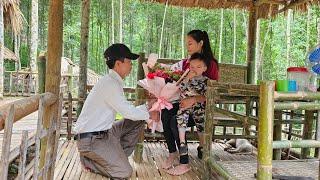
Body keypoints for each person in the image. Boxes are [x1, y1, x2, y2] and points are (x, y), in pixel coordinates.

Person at [75, 43, 154, 179]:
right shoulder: (110, 84)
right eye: (129, 62)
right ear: (118, 64)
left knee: (138, 121)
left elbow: (129, 110)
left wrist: (148, 107)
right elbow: (128, 112)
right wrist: (150, 112)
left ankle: (112, 157)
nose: (131, 65)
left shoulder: (112, 81)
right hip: (92, 140)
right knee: (124, 172)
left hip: (105, 133)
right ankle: (89, 161)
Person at [160, 30, 219, 176]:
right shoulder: (187, 63)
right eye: (187, 43)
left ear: (201, 43)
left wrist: (193, 99)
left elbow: (212, 94)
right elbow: (180, 84)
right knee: (166, 113)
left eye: (190, 43)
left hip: (201, 108)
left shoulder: (210, 64)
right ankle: (173, 152)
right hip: (184, 102)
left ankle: (184, 161)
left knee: (175, 121)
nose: (188, 46)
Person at [176, 53, 209, 160]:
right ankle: (182, 143)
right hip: (185, 104)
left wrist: (196, 99)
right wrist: (186, 78)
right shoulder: (186, 78)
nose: (195, 69)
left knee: (201, 120)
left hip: (198, 106)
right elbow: (180, 88)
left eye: (198, 67)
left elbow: (206, 96)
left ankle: (202, 145)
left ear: (205, 68)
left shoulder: (206, 81)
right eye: (192, 67)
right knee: (181, 116)